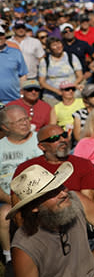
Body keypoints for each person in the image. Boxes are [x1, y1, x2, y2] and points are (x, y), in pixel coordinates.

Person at [9, 162, 94, 277]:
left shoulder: (76, 199)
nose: (63, 193)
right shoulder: (24, 247)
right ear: (34, 207)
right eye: (52, 192)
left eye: (60, 186)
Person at [15, 124, 94, 202]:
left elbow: (87, 202)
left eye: (64, 135)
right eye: (54, 138)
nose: (63, 140)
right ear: (42, 146)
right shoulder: (27, 168)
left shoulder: (83, 164)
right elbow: (17, 204)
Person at [0, 105, 41, 262]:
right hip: (8, 199)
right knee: (5, 214)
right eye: (19, 121)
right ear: (5, 126)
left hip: (38, 195)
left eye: (26, 119)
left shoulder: (39, 139)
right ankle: (9, 257)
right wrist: (10, 200)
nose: (25, 123)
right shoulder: (1, 147)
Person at [38, 36, 83, 105]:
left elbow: (80, 76)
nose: (58, 46)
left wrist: (73, 85)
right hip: (52, 97)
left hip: (72, 93)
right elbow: (42, 82)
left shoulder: (71, 57)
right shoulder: (44, 61)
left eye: (59, 43)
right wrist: (57, 91)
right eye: (54, 45)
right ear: (49, 49)